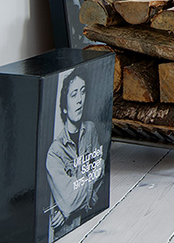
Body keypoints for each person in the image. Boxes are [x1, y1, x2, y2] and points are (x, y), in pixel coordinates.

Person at [46, 69, 104, 239]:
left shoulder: (91, 129)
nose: (80, 99)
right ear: (64, 107)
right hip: (69, 234)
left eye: (83, 91)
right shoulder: (55, 152)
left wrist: (66, 209)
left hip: (95, 220)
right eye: (73, 95)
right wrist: (92, 175)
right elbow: (70, 201)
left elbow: (102, 167)